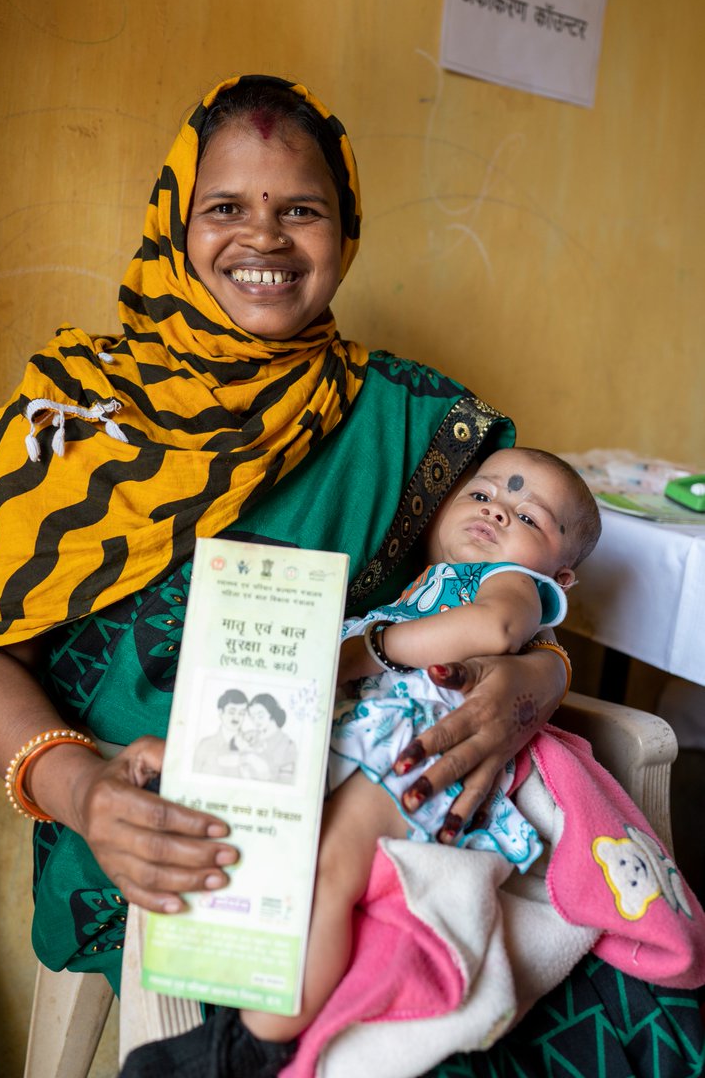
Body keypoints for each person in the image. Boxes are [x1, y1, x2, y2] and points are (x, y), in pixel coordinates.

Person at [0, 76, 701, 1077]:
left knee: (602, 1017)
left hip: (395, 808)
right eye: (226, 208)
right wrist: (80, 792)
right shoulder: (77, 410)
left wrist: (539, 680)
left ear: (347, 230)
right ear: (176, 222)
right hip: (161, 823)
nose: (267, 238)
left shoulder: (407, 418)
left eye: (301, 208)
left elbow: (505, 575)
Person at [239, 446, 599, 1048]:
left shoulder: (512, 586)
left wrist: (362, 651)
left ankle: (270, 1030)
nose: (499, 512)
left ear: (559, 578)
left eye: (528, 516)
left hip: (420, 743)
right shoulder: (425, 587)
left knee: (330, 864)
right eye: (482, 495)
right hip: (370, 737)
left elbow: (495, 630)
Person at [193, 689, 249, 776]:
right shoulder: (205, 745)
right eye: (232, 712)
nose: (236, 717)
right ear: (220, 712)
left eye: (241, 713)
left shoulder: (251, 744)